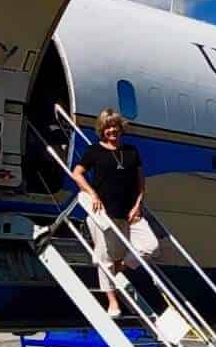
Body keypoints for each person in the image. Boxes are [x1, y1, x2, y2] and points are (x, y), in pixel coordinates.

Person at [66, 109, 156, 318]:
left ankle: (120, 266)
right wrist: (92, 194)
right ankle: (113, 302)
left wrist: (137, 205)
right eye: (107, 127)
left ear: (120, 128)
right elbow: (77, 174)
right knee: (104, 257)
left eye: (115, 126)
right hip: (103, 213)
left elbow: (140, 182)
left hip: (129, 212)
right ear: (102, 130)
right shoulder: (94, 151)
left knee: (151, 246)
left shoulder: (132, 152)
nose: (112, 130)